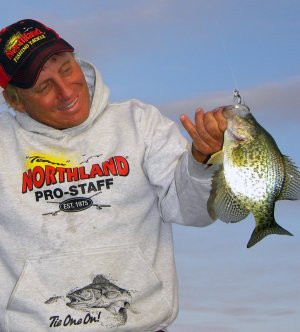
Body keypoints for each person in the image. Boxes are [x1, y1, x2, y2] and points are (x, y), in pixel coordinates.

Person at [0, 19, 226, 332]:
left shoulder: (139, 124)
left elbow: (195, 212)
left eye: (66, 69)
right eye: (44, 87)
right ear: (15, 101)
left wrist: (203, 160)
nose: (66, 92)